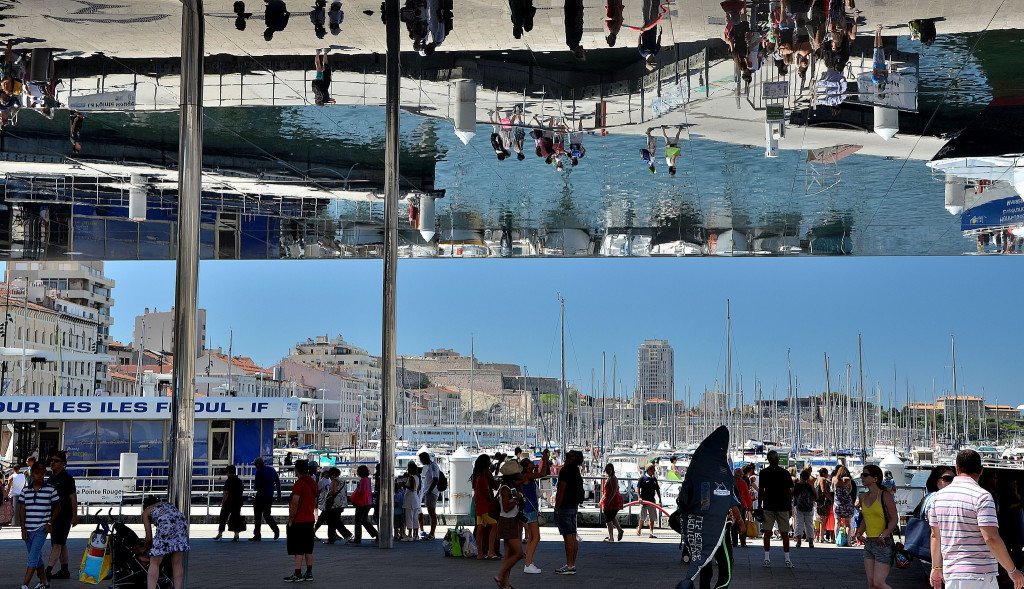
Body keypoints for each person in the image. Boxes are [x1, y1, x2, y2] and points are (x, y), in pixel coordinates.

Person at [929, 449, 1024, 589]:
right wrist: (1012, 570)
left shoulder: (937, 498)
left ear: (957, 469)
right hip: (980, 575)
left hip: (952, 574)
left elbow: (935, 536)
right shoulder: (982, 497)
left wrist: (936, 568)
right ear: (981, 471)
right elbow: (990, 538)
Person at [853, 464, 898, 589]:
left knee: (879, 583)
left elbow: (894, 519)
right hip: (869, 543)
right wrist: (858, 533)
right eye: (862, 474)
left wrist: (884, 534)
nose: (862, 477)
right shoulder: (862, 497)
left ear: (875, 478)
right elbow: (866, 520)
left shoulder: (885, 495)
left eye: (865, 475)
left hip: (884, 542)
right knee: (871, 585)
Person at [18, 461, 58, 589]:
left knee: (33, 557)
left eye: (42, 473)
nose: (39, 475)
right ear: (32, 474)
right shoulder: (25, 491)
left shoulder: (50, 489)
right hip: (28, 529)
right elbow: (22, 509)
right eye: (36, 473)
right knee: (37, 557)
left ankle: (25, 585)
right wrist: (23, 528)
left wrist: (50, 522)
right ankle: (44, 582)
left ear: (44, 474)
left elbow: (58, 507)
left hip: (42, 528)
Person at [141, 496, 188, 589]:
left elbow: (149, 537)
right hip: (182, 524)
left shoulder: (147, 511)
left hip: (166, 527)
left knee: (154, 562)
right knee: (177, 562)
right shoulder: (168, 504)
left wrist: (143, 549)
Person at [758, 450, 794, 568]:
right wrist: (790, 507)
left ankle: (767, 558)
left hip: (768, 505)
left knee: (767, 533)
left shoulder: (763, 473)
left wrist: (759, 505)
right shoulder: (784, 473)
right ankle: (787, 559)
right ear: (778, 459)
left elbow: (761, 491)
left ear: (768, 460)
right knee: (785, 534)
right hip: (782, 506)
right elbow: (789, 492)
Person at [283, 460, 317, 583]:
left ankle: (297, 573)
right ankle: (309, 573)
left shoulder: (299, 484)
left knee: (298, 548)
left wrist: (291, 519)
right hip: (309, 519)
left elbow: (295, 502)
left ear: (296, 470)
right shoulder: (313, 482)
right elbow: (314, 502)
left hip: (299, 519)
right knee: (308, 548)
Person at [44, 450, 76, 580]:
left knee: (57, 543)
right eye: (51, 460)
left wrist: (75, 515)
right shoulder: (51, 478)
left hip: (64, 515)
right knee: (61, 543)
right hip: (53, 516)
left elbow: (73, 498)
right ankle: (64, 570)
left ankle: (48, 571)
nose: (52, 463)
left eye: (56, 461)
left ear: (63, 463)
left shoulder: (68, 479)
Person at [494, 461, 525, 589]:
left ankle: (505, 584)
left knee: (508, 554)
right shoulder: (506, 488)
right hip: (507, 522)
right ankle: (500, 575)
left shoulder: (511, 487)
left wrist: (519, 499)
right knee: (518, 554)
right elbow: (506, 508)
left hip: (511, 521)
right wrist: (517, 500)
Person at [553, 449, 585, 575]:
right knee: (572, 535)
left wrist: (556, 507)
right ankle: (572, 564)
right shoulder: (576, 471)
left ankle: (570, 565)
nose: (568, 454)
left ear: (571, 458)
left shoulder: (565, 471)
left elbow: (561, 490)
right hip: (573, 505)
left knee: (568, 537)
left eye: (570, 454)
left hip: (565, 506)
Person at [519, 458, 543, 574]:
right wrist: (545, 459)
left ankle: (528, 561)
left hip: (527, 509)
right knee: (536, 537)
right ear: (526, 467)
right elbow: (542, 474)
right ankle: (528, 564)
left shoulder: (524, 476)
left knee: (531, 538)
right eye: (531, 464)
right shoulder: (528, 476)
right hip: (530, 510)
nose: (533, 465)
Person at [473, 454, 498, 560]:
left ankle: (480, 553)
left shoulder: (476, 476)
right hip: (485, 507)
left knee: (480, 529)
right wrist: (491, 501)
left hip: (478, 507)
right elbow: (487, 493)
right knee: (494, 525)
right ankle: (491, 551)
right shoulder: (483, 478)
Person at [251, 457, 281, 541]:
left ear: (258, 464)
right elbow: (278, 482)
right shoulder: (271, 470)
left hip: (260, 496)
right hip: (269, 496)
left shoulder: (259, 471)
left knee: (257, 515)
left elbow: (256, 486)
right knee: (267, 514)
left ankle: (257, 535)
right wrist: (279, 495)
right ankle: (275, 529)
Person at [215, 464, 245, 541]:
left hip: (229, 502)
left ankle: (220, 533)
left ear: (227, 472)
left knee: (223, 518)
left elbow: (226, 493)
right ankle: (236, 535)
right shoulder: (239, 481)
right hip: (238, 502)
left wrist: (223, 502)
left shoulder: (228, 481)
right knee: (236, 518)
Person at [348, 464, 377, 544]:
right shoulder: (368, 479)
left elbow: (362, 492)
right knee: (364, 520)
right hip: (368, 502)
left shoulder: (363, 480)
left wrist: (358, 487)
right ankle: (375, 534)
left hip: (362, 503)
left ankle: (357, 538)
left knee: (358, 521)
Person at [322, 468, 351, 544]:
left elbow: (333, 491)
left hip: (334, 504)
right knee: (336, 521)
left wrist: (326, 495)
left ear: (332, 475)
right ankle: (347, 535)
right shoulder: (343, 481)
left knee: (332, 521)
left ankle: (332, 539)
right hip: (342, 504)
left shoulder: (334, 481)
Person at [419, 451, 441, 539]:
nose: (421, 461)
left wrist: (429, 490)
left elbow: (435, 479)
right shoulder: (430, 466)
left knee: (432, 513)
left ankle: (432, 533)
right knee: (431, 512)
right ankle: (432, 533)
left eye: (421, 459)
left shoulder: (433, 466)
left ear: (425, 458)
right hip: (430, 492)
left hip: (432, 493)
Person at [793, 470, 817, 548]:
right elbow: (816, 497)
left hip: (799, 507)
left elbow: (792, 494)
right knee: (809, 524)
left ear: (800, 477)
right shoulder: (809, 486)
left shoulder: (797, 485)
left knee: (798, 524)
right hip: (809, 507)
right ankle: (810, 542)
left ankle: (799, 541)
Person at [600, 463, 624, 542]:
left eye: (609, 469)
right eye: (606, 469)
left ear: (612, 470)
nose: (607, 471)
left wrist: (608, 501)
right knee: (611, 517)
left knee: (608, 519)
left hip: (613, 500)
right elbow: (607, 492)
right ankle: (619, 531)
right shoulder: (610, 477)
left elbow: (614, 491)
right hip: (610, 499)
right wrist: (602, 500)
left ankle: (611, 537)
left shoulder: (613, 478)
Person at [636, 464, 662, 538]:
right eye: (653, 469)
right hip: (644, 501)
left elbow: (657, 489)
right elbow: (638, 488)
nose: (654, 471)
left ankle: (651, 532)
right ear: (649, 470)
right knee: (642, 517)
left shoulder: (654, 479)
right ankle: (639, 528)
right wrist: (639, 497)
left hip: (652, 501)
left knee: (652, 517)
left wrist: (660, 499)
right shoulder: (642, 478)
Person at [833, 464, 856, 541]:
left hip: (837, 504)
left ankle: (837, 540)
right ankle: (848, 541)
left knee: (837, 522)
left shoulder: (834, 479)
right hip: (847, 503)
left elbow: (832, 490)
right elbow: (850, 490)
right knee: (848, 523)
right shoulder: (848, 480)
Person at [733, 467, 752, 548]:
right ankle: (743, 542)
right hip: (741, 505)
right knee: (742, 522)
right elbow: (747, 495)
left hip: (732, 504)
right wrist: (750, 506)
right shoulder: (742, 482)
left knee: (733, 524)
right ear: (741, 474)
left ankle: (734, 542)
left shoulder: (731, 482)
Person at [402, 461, 420, 541]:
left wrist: (404, 485)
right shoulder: (417, 477)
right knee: (415, 518)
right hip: (415, 499)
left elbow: (412, 488)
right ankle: (416, 535)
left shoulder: (411, 477)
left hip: (410, 500)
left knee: (409, 517)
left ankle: (409, 535)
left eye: (408, 468)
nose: (407, 469)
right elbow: (417, 489)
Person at [815, 467, 834, 543]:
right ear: (824, 473)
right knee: (823, 520)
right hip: (823, 502)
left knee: (819, 520)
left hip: (818, 502)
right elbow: (824, 491)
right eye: (827, 473)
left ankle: (819, 537)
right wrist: (831, 499)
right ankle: (821, 537)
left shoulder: (817, 479)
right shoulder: (822, 479)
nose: (827, 474)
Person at [6, 462, 25, 527]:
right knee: (20, 510)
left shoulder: (11, 477)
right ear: (19, 469)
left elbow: (8, 488)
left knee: (11, 510)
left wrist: (6, 495)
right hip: (21, 495)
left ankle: (12, 521)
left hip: (13, 495)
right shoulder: (23, 476)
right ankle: (19, 521)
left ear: (13, 469)